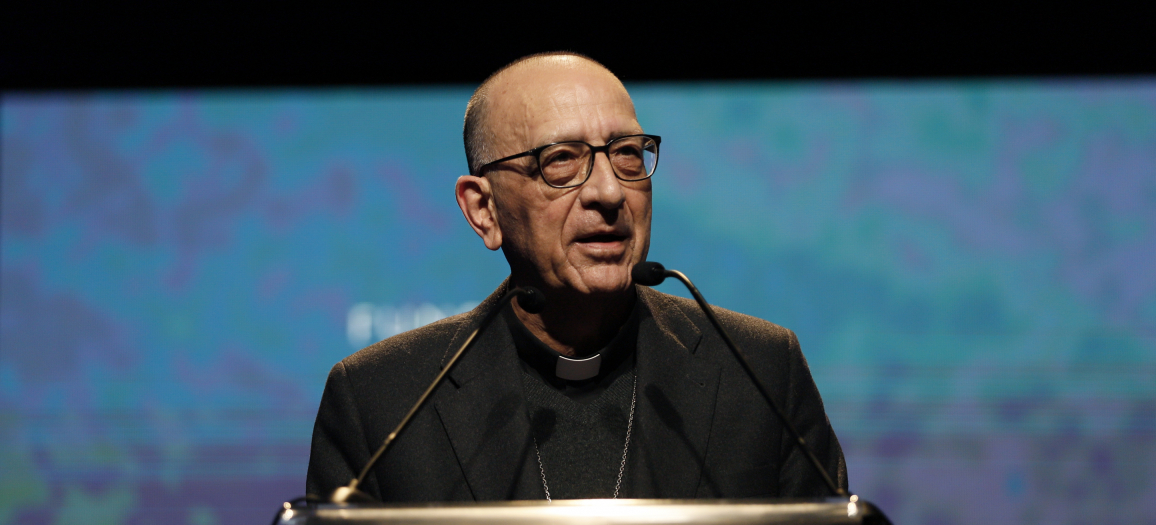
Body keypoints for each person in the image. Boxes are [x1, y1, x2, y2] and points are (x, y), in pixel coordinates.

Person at [306, 52, 846, 502]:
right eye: (560, 160)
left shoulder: (761, 372)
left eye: (628, 154)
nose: (609, 193)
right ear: (483, 210)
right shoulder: (380, 401)